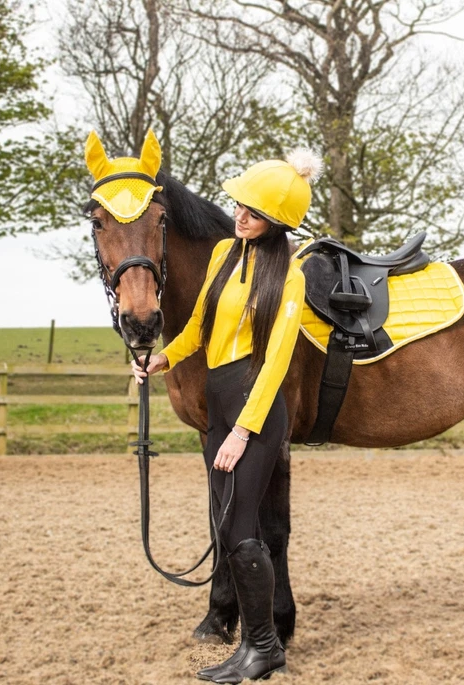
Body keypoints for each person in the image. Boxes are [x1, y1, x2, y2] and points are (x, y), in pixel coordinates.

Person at [132, 149, 321, 684]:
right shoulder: (222, 256)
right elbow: (196, 328)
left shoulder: (289, 279)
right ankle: (253, 647)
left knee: (241, 530)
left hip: (254, 409)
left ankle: (264, 647)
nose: (239, 216)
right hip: (219, 401)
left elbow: (278, 363)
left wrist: (243, 430)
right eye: (239, 205)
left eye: (253, 212)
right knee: (226, 523)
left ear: (276, 223)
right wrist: (162, 357)